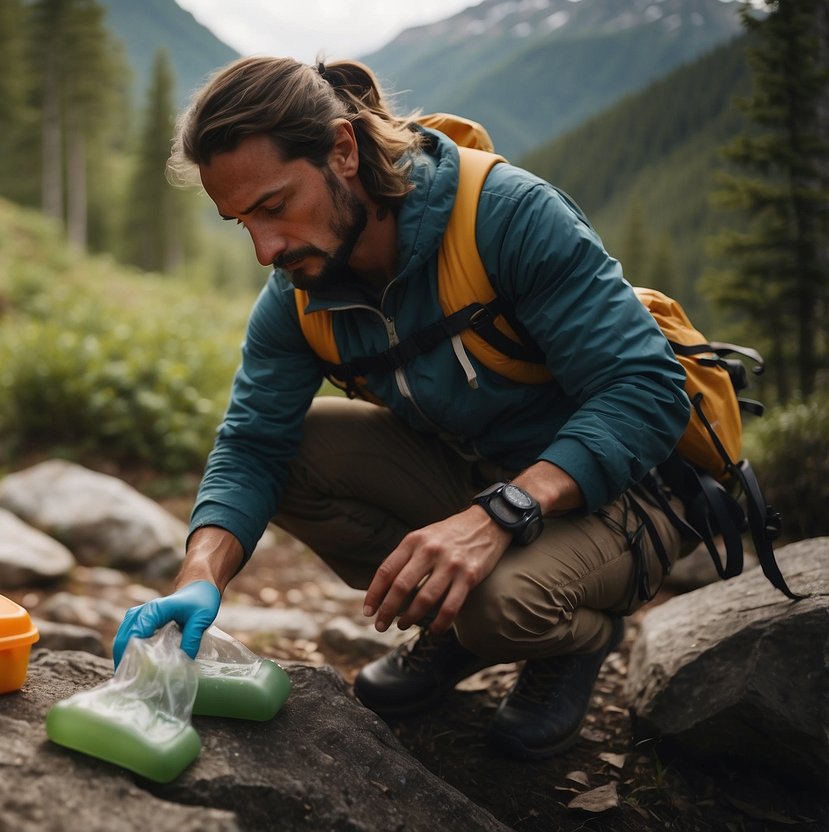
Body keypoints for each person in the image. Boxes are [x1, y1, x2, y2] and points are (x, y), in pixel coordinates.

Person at [112, 55, 691, 760]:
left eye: (273, 206)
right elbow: (251, 444)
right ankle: (455, 623)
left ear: (343, 150)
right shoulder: (300, 294)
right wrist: (198, 576)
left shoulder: (507, 217)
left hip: (624, 491)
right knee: (294, 450)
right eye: (242, 223)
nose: (265, 248)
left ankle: (574, 639)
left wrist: (499, 514)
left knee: (496, 604)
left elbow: (646, 391)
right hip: (474, 468)